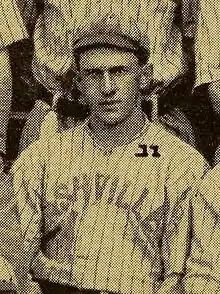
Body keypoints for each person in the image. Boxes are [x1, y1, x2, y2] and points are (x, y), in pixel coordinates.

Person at [9, 10, 213, 294]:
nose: (107, 88)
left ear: (144, 77)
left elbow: (184, 279)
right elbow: (17, 266)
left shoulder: (182, 166)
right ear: (78, 83)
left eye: (119, 72)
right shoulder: (40, 159)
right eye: (93, 74)